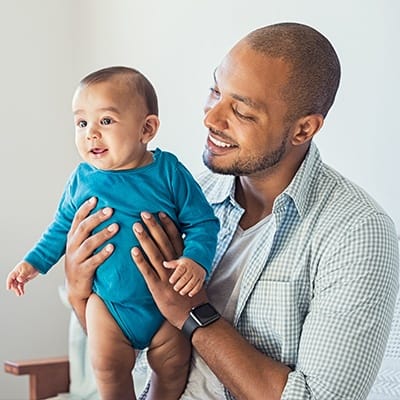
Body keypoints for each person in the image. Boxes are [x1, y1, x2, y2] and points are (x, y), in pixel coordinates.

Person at [64, 22, 399, 400]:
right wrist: (81, 294)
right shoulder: (186, 195)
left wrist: (194, 313)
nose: (211, 118)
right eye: (215, 90)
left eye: (240, 110)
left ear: (303, 129)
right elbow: (133, 349)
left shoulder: (357, 232)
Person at [6, 66, 220, 400]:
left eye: (105, 121)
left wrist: (196, 260)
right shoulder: (82, 179)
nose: (91, 133)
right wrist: (32, 263)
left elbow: (203, 223)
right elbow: (61, 228)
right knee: (106, 367)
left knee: (173, 365)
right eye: (81, 123)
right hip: (108, 307)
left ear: (146, 129)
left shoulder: (168, 172)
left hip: (166, 307)